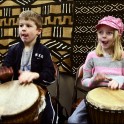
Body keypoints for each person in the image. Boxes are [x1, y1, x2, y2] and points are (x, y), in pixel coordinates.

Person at [0, 10, 57, 124]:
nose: (23, 28)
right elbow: (6, 68)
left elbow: (50, 75)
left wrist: (35, 75)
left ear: (38, 31)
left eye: (28, 26)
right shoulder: (13, 49)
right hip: (16, 89)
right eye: (21, 25)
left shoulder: (44, 51)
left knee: (50, 117)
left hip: (38, 90)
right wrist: (4, 76)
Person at [68, 16, 124, 124]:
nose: (103, 36)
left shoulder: (122, 56)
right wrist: (94, 80)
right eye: (100, 32)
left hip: (118, 99)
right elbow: (84, 81)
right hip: (94, 97)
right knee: (73, 121)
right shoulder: (92, 56)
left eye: (109, 33)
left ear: (117, 36)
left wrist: (119, 80)